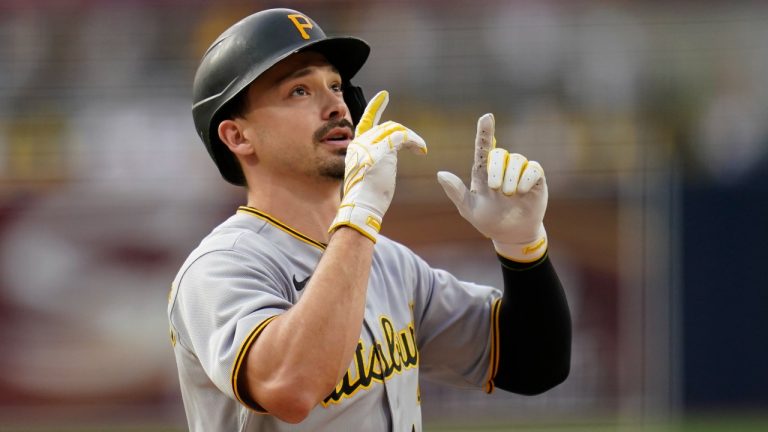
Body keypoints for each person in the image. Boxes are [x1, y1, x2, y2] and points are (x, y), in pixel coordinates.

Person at [167, 7, 571, 431]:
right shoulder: (220, 268)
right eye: (299, 91)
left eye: (336, 85)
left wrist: (523, 249)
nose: (335, 106)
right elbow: (290, 386)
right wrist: (360, 215)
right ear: (237, 136)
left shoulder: (389, 263)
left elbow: (532, 365)